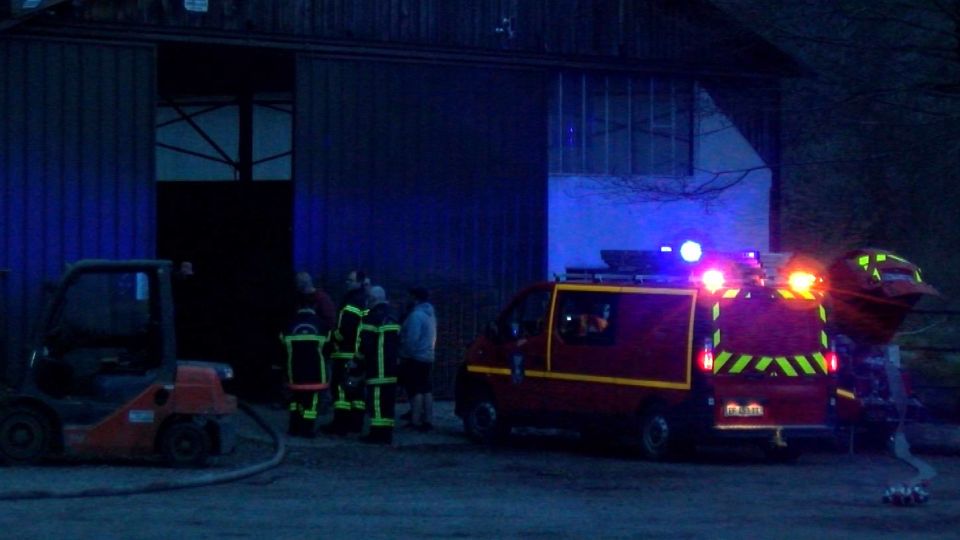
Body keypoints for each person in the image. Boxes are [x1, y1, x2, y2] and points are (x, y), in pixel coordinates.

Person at [324, 269, 369, 435]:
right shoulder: (365, 300)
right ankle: (355, 423)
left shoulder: (351, 303)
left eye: (350, 280)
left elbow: (344, 330)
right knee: (355, 389)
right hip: (358, 356)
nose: (347, 283)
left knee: (341, 390)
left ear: (359, 282)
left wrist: (331, 338)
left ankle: (340, 425)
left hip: (345, 355)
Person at [280, 299, 331, 437]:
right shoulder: (322, 324)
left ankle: (293, 428)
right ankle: (307, 429)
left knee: (295, 401)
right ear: (314, 306)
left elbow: (281, 348)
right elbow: (329, 348)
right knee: (311, 404)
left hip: (294, 372)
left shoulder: (289, 324)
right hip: (316, 373)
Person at [357, 286, 401, 444]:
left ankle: (377, 435)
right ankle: (386, 433)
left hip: (376, 369)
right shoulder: (393, 314)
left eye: (368, 298)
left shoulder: (371, 316)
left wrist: (356, 363)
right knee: (388, 403)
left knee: (376, 403)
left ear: (373, 299)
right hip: (391, 368)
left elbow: (366, 345)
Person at [400, 286, 437, 431]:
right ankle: (428, 420)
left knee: (415, 389)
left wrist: (404, 353)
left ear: (414, 297)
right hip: (428, 356)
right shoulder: (430, 314)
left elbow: (411, 339)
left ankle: (415, 421)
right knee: (426, 388)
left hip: (415, 357)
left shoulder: (416, 315)